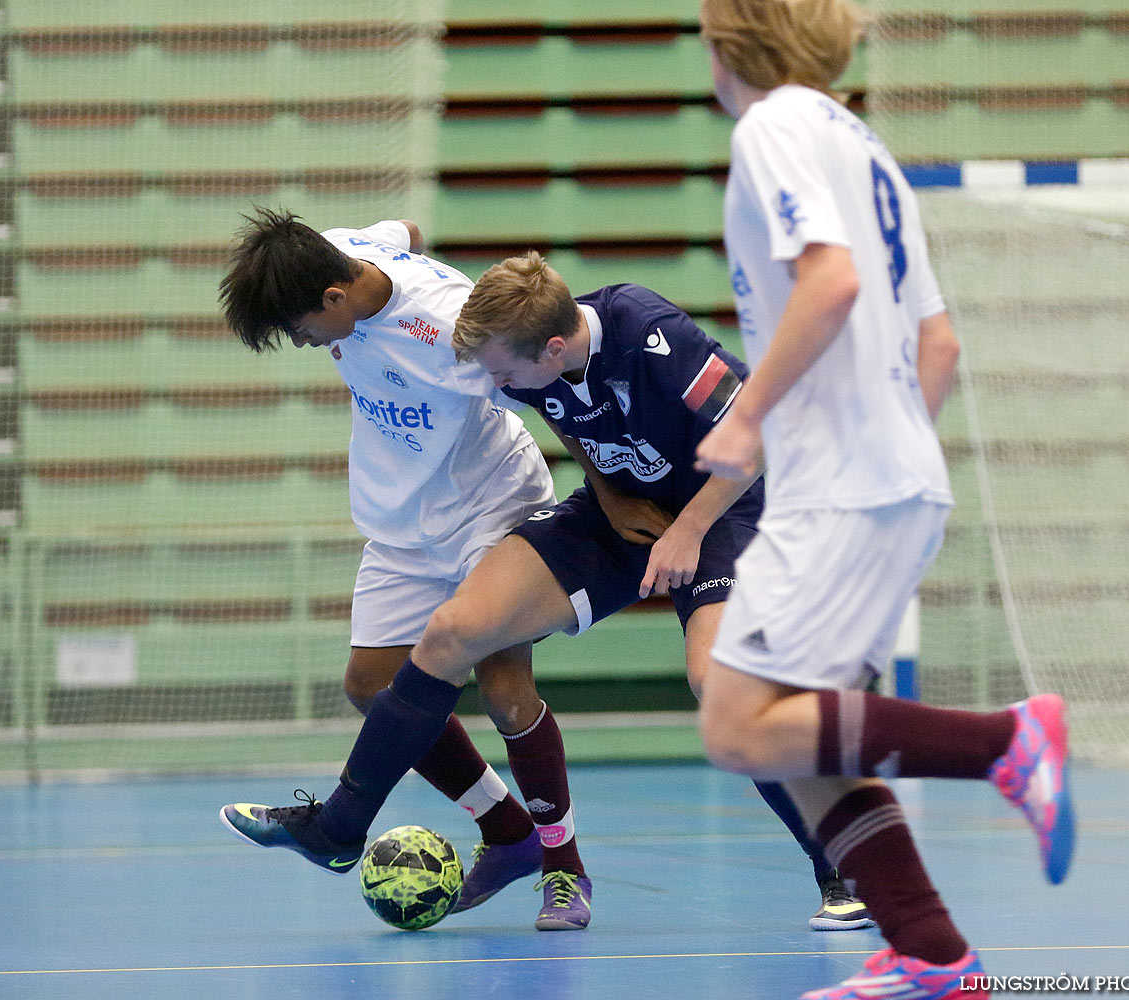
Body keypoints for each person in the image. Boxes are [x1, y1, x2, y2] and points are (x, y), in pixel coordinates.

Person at [222, 243, 875, 933]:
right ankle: (340, 828)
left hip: (725, 509)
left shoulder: (649, 334)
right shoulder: (522, 365)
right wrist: (611, 498)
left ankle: (840, 860)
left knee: (719, 687)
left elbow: (759, 432)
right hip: (620, 510)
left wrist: (689, 528)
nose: (487, 384)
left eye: (498, 372)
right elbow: (578, 427)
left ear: (553, 347)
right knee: (451, 632)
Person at [692, 2, 1075, 998]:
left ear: (727, 44)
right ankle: (934, 953)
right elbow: (936, 342)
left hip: (840, 488)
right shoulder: (863, 144)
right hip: (894, 477)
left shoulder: (773, 125)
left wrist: (749, 420)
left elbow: (829, 284)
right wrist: (891, 455)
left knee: (738, 727)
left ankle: (1008, 741)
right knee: (808, 731)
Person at [216, 209, 561, 925]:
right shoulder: (339, 250)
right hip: (404, 521)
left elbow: (545, 386)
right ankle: (508, 833)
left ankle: (564, 865)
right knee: (371, 684)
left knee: (503, 686)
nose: (305, 342)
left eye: (303, 328)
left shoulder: (446, 328)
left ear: (335, 299)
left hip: (488, 505)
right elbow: (405, 228)